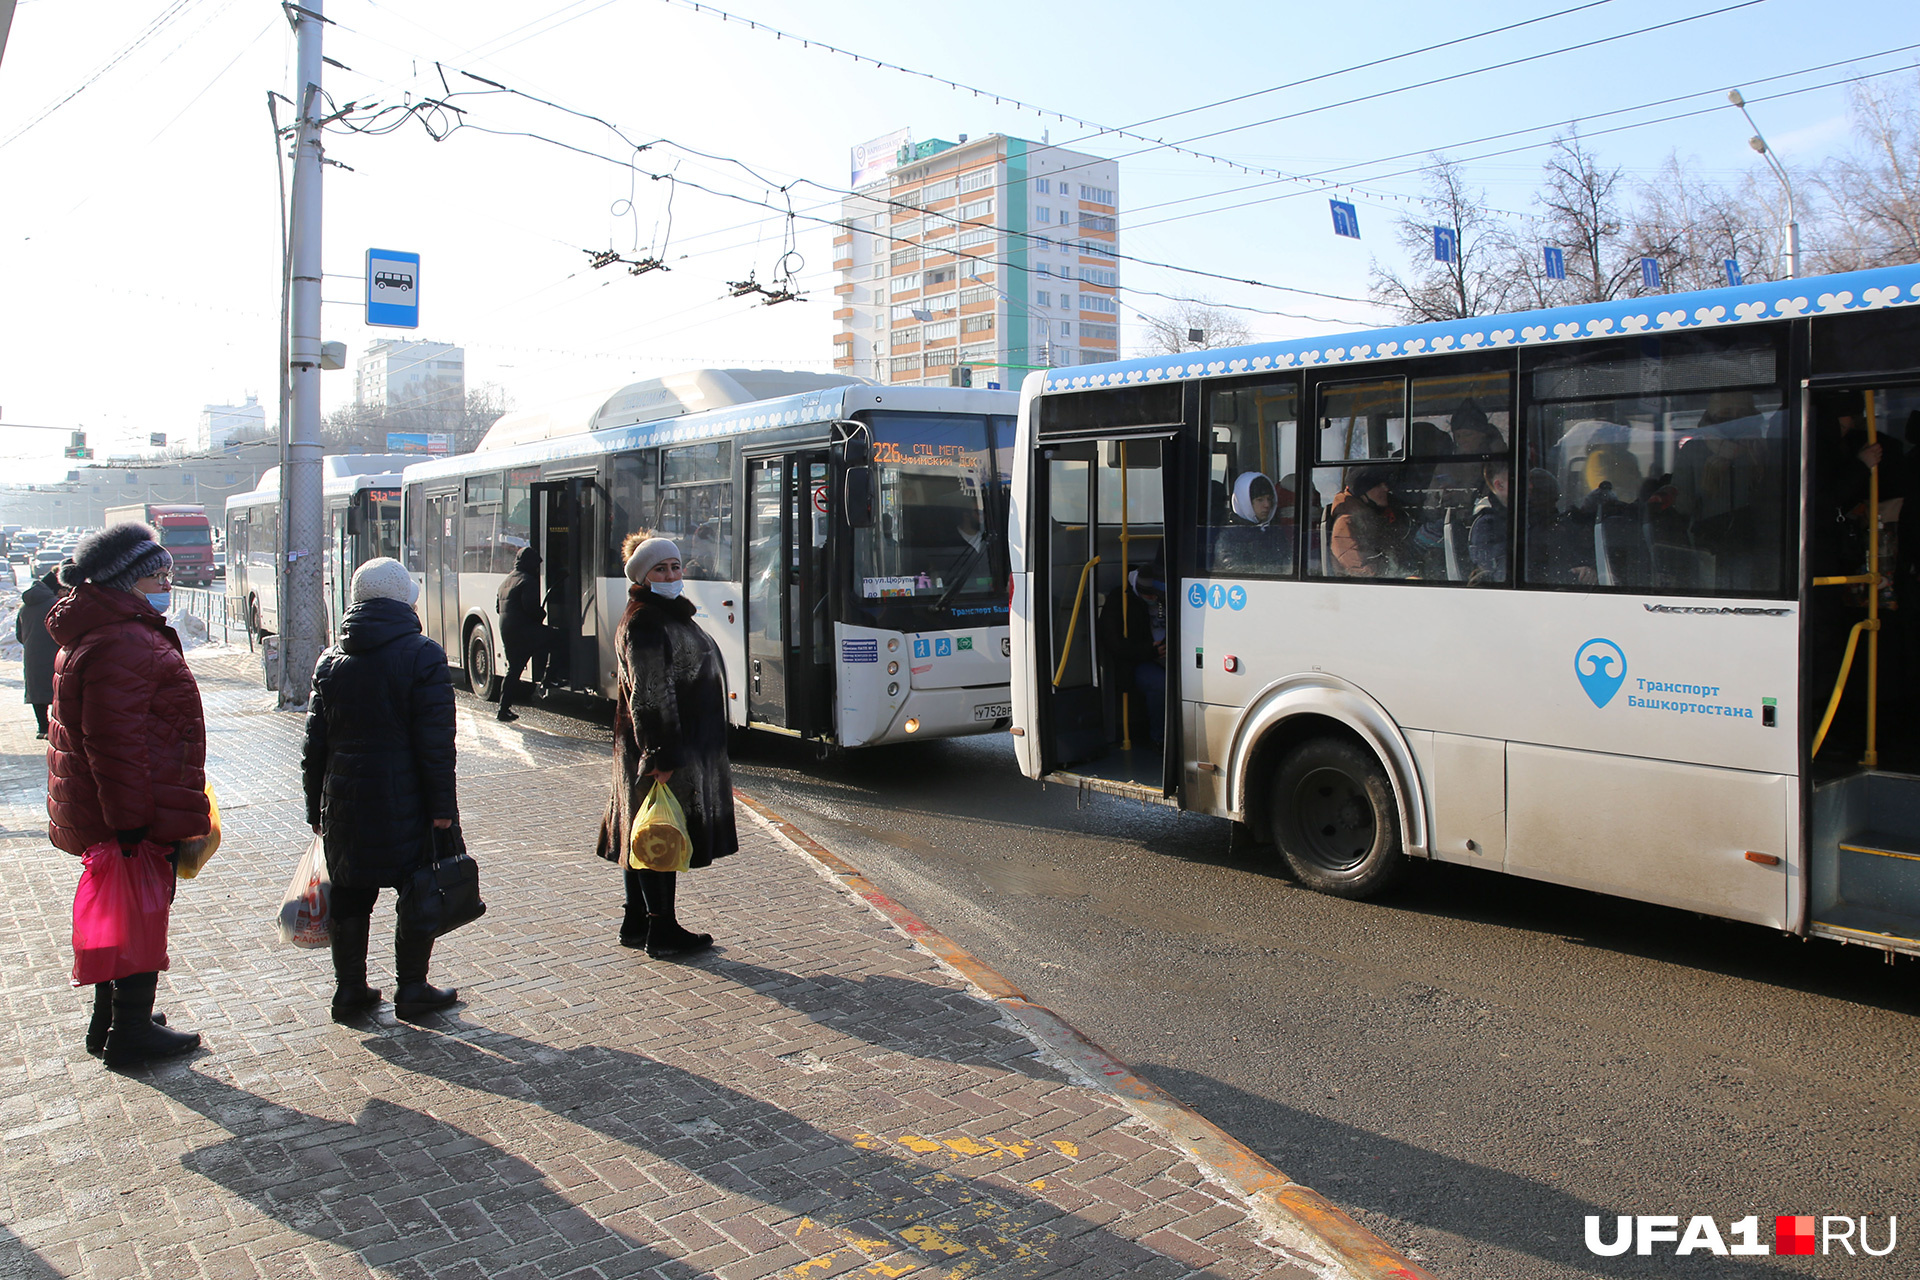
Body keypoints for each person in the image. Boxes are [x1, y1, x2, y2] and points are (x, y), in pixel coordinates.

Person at [45, 523, 209, 1067]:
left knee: (121, 914)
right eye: (158, 576)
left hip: (119, 804)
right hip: (133, 808)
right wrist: (133, 822)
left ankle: (111, 1021)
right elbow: (114, 741)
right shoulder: (123, 639)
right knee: (138, 911)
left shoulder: (104, 629)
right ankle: (131, 1031)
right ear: (128, 581)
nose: (167, 584)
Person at [301, 558, 460, 1021]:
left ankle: (349, 990)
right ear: (404, 601)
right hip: (406, 800)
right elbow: (435, 743)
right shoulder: (423, 654)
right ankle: (412, 988)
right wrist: (442, 808)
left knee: (350, 892)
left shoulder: (331, 660)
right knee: (416, 888)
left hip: (345, 802)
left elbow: (315, 746)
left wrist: (317, 808)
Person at [595, 531, 737, 960]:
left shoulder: (668, 613)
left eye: (676, 566)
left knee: (641, 830)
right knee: (660, 835)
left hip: (669, 746)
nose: (672, 574)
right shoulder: (646, 619)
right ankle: (663, 930)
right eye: (661, 568)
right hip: (663, 749)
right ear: (643, 575)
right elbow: (649, 693)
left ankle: (636, 921)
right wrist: (660, 755)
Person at [1097, 559, 1167, 746]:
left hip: (1169, 655)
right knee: (1160, 684)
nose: (1154, 600)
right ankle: (1159, 738)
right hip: (1138, 661)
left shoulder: (1163, 595)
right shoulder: (1119, 599)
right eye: (1150, 596)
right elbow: (1115, 643)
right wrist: (1150, 651)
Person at [495, 546, 549, 722]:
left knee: (514, 669)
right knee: (558, 638)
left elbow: (498, 608)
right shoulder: (528, 581)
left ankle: (503, 710)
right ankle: (550, 677)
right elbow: (531, 608)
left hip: (507, 630)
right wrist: (542, 614)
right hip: (524, 631)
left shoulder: (506, 581)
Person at [1328, 465, 1410, 577]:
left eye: (1385, 484)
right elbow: (1360, 571)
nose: (1385, 489)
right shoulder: (1347, 523)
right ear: (1362, 493)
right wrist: (1402, 574)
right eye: (1378, 485)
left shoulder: (1380, 516)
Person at [17, 559, 66, 738]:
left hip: (32, 654)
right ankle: (54, 727)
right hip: (54, 652)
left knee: (36, 689)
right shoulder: (55, 604)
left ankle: (42, 727)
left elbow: (18, 634)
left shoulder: (25, 606)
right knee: (56, 690)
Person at [1467, 459, 1511, 583]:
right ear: (1499, 485)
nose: (1530, 486)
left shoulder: (1526, 514)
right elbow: (1495, 573)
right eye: (1524, 481)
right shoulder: (1487, 525)